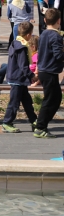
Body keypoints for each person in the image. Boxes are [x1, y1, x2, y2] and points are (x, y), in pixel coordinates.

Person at [0, 22, 37, 134]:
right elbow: (23, 66)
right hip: (18, 79)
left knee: (27, 101)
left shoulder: (15, 43)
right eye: (31, 34)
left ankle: (34, 121)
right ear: (28, 35)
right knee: (14, 103)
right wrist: (32, 76)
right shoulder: (22, 47)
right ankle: (7, 122)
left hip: (18, 79)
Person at [34, 9, 63, 138]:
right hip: (50, 71)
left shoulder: (44, 34)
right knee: (50, 100)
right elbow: (58, 55)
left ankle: (41, 122)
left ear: (45, 21)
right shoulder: (56, 36)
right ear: (59, 21)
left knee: (55, 98)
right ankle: (40, 126)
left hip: (45, 70)